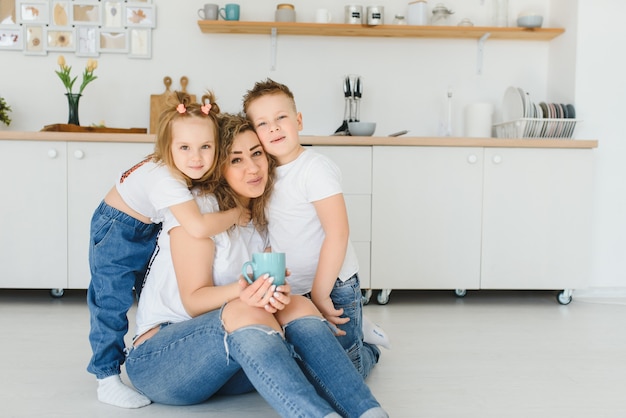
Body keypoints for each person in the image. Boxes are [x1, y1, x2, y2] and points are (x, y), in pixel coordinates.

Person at [125, 113, 388, 417]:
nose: (252, 168)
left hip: (229, 365)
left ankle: (370, 412)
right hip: (162, 362)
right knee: (244, 308)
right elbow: (194, 300)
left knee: (296, 304)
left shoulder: (258, 216)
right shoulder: (200, 211)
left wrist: (271, 293)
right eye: (236, 160)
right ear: (218, 168)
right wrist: (245, 294)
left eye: (257, 153)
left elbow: (260, 299)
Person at [87, 92, 249, 408]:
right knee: (110, 300)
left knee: (147, 291)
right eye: (185, 148)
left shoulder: (185, 174)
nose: (197, 157)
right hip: (118, 228)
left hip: (148, 225)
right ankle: (105, 377)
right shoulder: (165, 180)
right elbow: (199, 227)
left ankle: (160, 344)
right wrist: (234, 214)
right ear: (167, 148)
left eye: (206, 147)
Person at [242, 79, 389, 379]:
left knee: (348, 372)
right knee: (313, 364)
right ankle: (355, 332)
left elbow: (338, 233)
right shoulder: (266, 175)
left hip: (333, 286)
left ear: (298, 120)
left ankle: (367, 346)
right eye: (263, 123)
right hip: (298, 289)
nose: (274, 128)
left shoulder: (315, 169)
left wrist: (321, 293)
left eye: (281, 117)